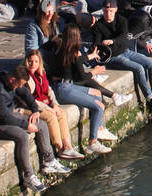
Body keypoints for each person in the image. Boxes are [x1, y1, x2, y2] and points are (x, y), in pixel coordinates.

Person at [0, 66, 68, 194]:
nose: (18, 88)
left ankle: (49, 161)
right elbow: (4, 117)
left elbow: (26, 94)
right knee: (22, 135)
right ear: (12, 79)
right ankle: (28, 176)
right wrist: (25, 125)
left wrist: (35, 110)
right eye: (18, 84)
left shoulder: (12, 80)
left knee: (41, 124)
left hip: (7, 114)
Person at [45, 26, 117, 154]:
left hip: (64, 85)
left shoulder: (62, 49)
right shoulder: (73, 52)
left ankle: (99, 127)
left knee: (97, 93)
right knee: (99, 106)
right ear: (77, 38)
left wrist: (92, 55)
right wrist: (95, 71)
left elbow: (79, 60)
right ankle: (93, 142)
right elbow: (82, 77)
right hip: (64, 89)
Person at [91, 0, 152, 111]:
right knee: (139, 68)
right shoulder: (98, 26)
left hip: (126, 51)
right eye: (106, 11)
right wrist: (101, 44)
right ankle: (149, 98)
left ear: (115, 10)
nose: (108, 14)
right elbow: (96, 44)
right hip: (114, 57)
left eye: (111, 11)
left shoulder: (121, 20)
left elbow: (124, 37)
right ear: (103, 10)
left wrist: (113, 41)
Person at [24, 49, 85, 160]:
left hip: (44, 104)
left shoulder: (41, 73)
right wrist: (49, 109)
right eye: (30, 61)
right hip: (29, 107)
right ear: (26, 61)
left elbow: (49, 90)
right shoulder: (25, 77)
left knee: (61, 113)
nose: (33, 64)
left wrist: (55, 104)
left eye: (36, 62)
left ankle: (68, 146)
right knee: (51, 117)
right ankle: (60, 148)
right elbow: (30, 100)